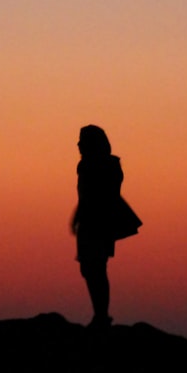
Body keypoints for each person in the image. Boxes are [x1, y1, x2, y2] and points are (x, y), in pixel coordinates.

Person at [71, 125, 140, 328]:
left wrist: (82, 214)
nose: (78, 145)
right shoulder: (85, 165)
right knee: (89, 268)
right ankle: (100, 314)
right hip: (88, 222)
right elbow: (83, 196)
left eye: (83, 141)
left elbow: (105, 193)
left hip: (99, 222)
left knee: (96, 267)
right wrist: (77, 216)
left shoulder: (108, 165)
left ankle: (101, 316)